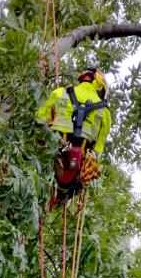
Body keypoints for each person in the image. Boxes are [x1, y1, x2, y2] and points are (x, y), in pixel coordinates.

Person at [36, 67, 112, 206]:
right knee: (72, 185)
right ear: (100, 85)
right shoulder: (104, 112)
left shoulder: (60, 93)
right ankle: (61, 196)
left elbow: (39, 121)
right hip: (74, 171)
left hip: (49, 156)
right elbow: (98, 150)